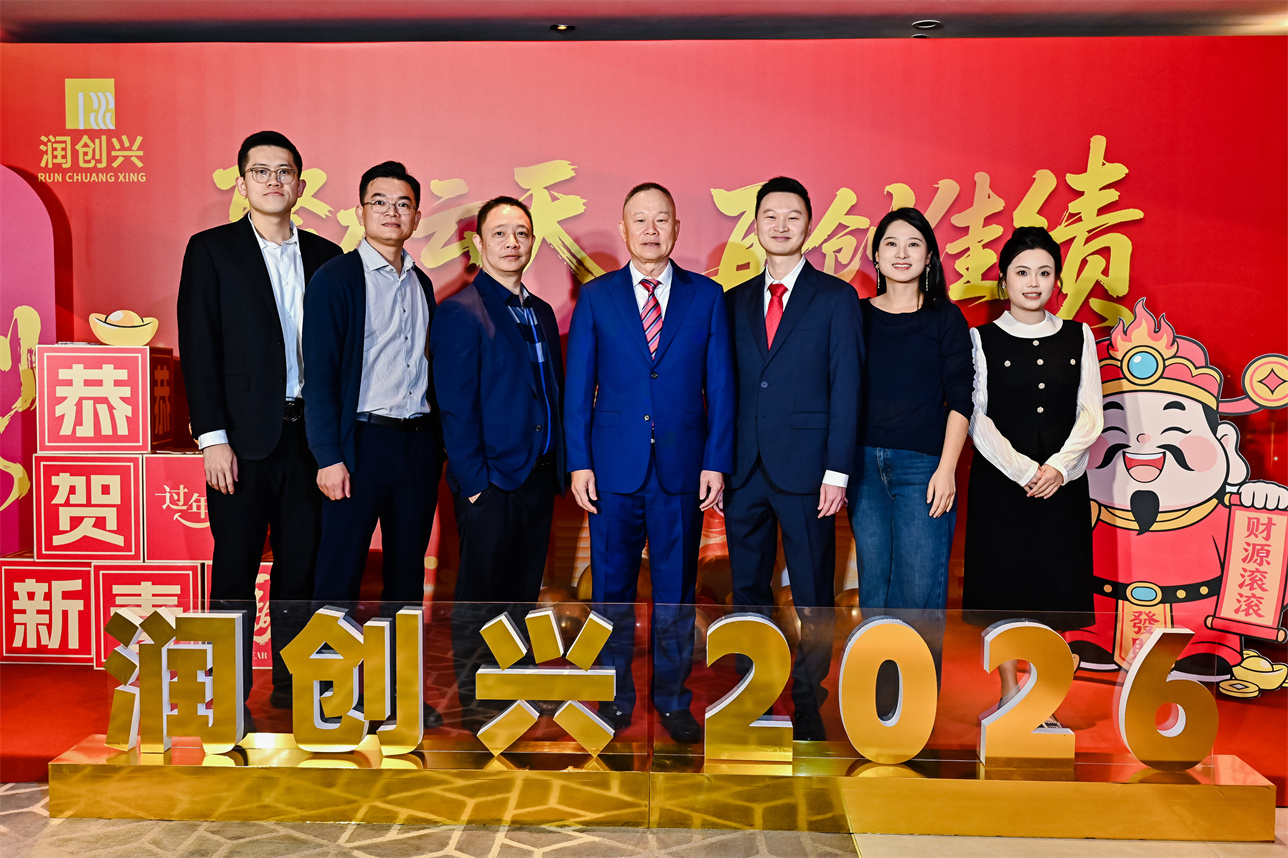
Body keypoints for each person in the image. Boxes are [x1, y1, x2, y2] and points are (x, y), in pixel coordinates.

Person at [177, 130, 342, 717]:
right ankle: (228, 693)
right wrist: (212, 438)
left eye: (284, 171)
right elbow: (199, 349)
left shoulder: (327, 256)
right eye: (261, 171)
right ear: (242, 182)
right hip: (240, 444)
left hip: (309, 440)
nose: (274, 180)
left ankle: (295, 689)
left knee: (302, 569)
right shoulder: (211, 250)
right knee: (234, 570)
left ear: (301, 183)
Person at [564, 182, 733, 743]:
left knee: (676, 593)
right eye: (640, 220)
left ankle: (673, 699)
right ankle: (614, 697)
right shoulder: (597, 297)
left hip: (683, 469)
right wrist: (579, 462)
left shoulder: (706, 296)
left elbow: (720, 387)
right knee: (610, 590)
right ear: (624, 229)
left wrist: (716, 461)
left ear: (677, 228)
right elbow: (577, 387)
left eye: (662, 219)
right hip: (612, 469)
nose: (651, 229)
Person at [302, 160, 442, 728]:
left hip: (416, 446)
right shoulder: (336, 279)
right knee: (338, 575)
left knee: (405, 580)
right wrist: (328, 456)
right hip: (358, 443)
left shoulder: (422, 283)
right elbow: (319, 375)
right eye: (379, 202)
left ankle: (395, 695)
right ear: (360, 212)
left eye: (403, 203)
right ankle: (330, 698)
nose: (391, 212)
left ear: (416, 216)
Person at [724, 176, 863, 741]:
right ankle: (751, 692)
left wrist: (837, 470)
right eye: (771, 216)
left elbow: (847, 386)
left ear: (809, 225)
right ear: (756, 225)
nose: (781, 226)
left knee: (812, 595)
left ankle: (809, 698)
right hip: (743, 468)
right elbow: (725, 388)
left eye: (793, 216)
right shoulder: (732, 300)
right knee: (747, 590)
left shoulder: (835, 297)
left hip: (809, 471)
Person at [430, 196, 564, 729]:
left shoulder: (541, 312)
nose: (513, 243)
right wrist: (475, 484)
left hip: (537, 477)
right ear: (478, 243)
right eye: (501, 233)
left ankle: (514, 687)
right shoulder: (461, 312)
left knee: (520, 596)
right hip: (489, 482)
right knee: (480, 598)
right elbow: (454, 407)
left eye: (522, 233)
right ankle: (477, 702)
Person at [961, 226, 1103, 707]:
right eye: (1022, 273)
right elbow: (976, 415)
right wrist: (1023, 470)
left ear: (1057, 280)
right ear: (1004, 280)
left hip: (1062, 485)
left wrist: (1059, 467)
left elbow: (1091, 412)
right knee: (1002, 588)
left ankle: (1044, 698)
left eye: (1044, 273)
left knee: (1055, 589)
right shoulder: (981, 338)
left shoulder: (1079, 335)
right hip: (1002, 485)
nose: (1033, 283)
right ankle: (1008, 693)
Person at [848, 207, 972, 713]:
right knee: (875, 590)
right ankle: (878, 710)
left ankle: (914, 710)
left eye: (914, 244)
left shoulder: (944, 318)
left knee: (918, 592)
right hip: (862, 468)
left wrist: (947, 468)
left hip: (924, 468)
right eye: (891, 244)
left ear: (929, 257)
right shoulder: (855, 315)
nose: (902, 254)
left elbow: (962, 398)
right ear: (876, 256)